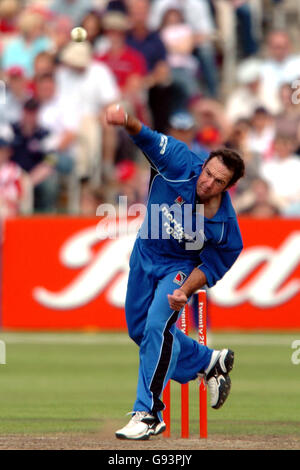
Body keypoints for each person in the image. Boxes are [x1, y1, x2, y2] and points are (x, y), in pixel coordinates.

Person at [105, 103, 245, 440]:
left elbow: (214, 264)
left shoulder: (225, 225)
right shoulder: (181, 161)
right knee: (140, 331)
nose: (208, 182)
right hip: (145, 252)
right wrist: (126, 120)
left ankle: (149, 412)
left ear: (228, 187)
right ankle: (208, 361)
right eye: (208, 172)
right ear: (204, 163)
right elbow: (148, 138)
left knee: (157, 325)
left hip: (178, 268)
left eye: (218, 181)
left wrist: (186, 290)